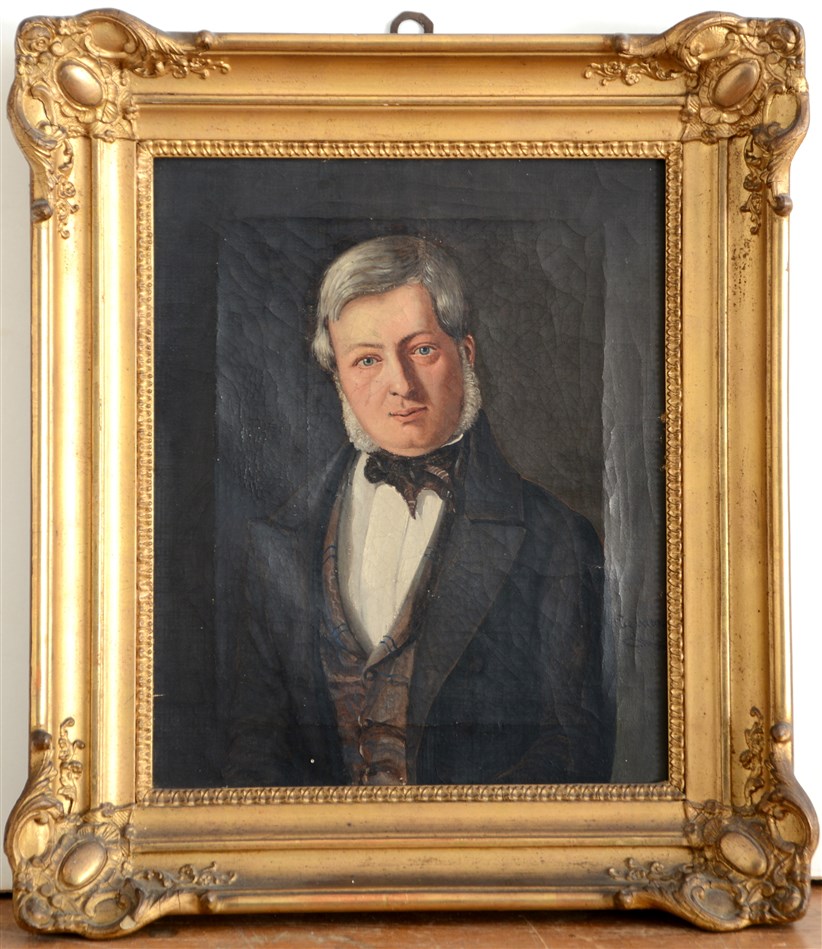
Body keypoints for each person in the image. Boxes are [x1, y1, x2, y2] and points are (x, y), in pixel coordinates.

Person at [225, 235, 614, 787]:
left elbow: (574, 750)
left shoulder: (557, 538)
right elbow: (253, 746)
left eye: (422, 350)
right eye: (367, 360)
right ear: (337, 377)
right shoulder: (277, 539)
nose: (400, 386)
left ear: (466, 353)